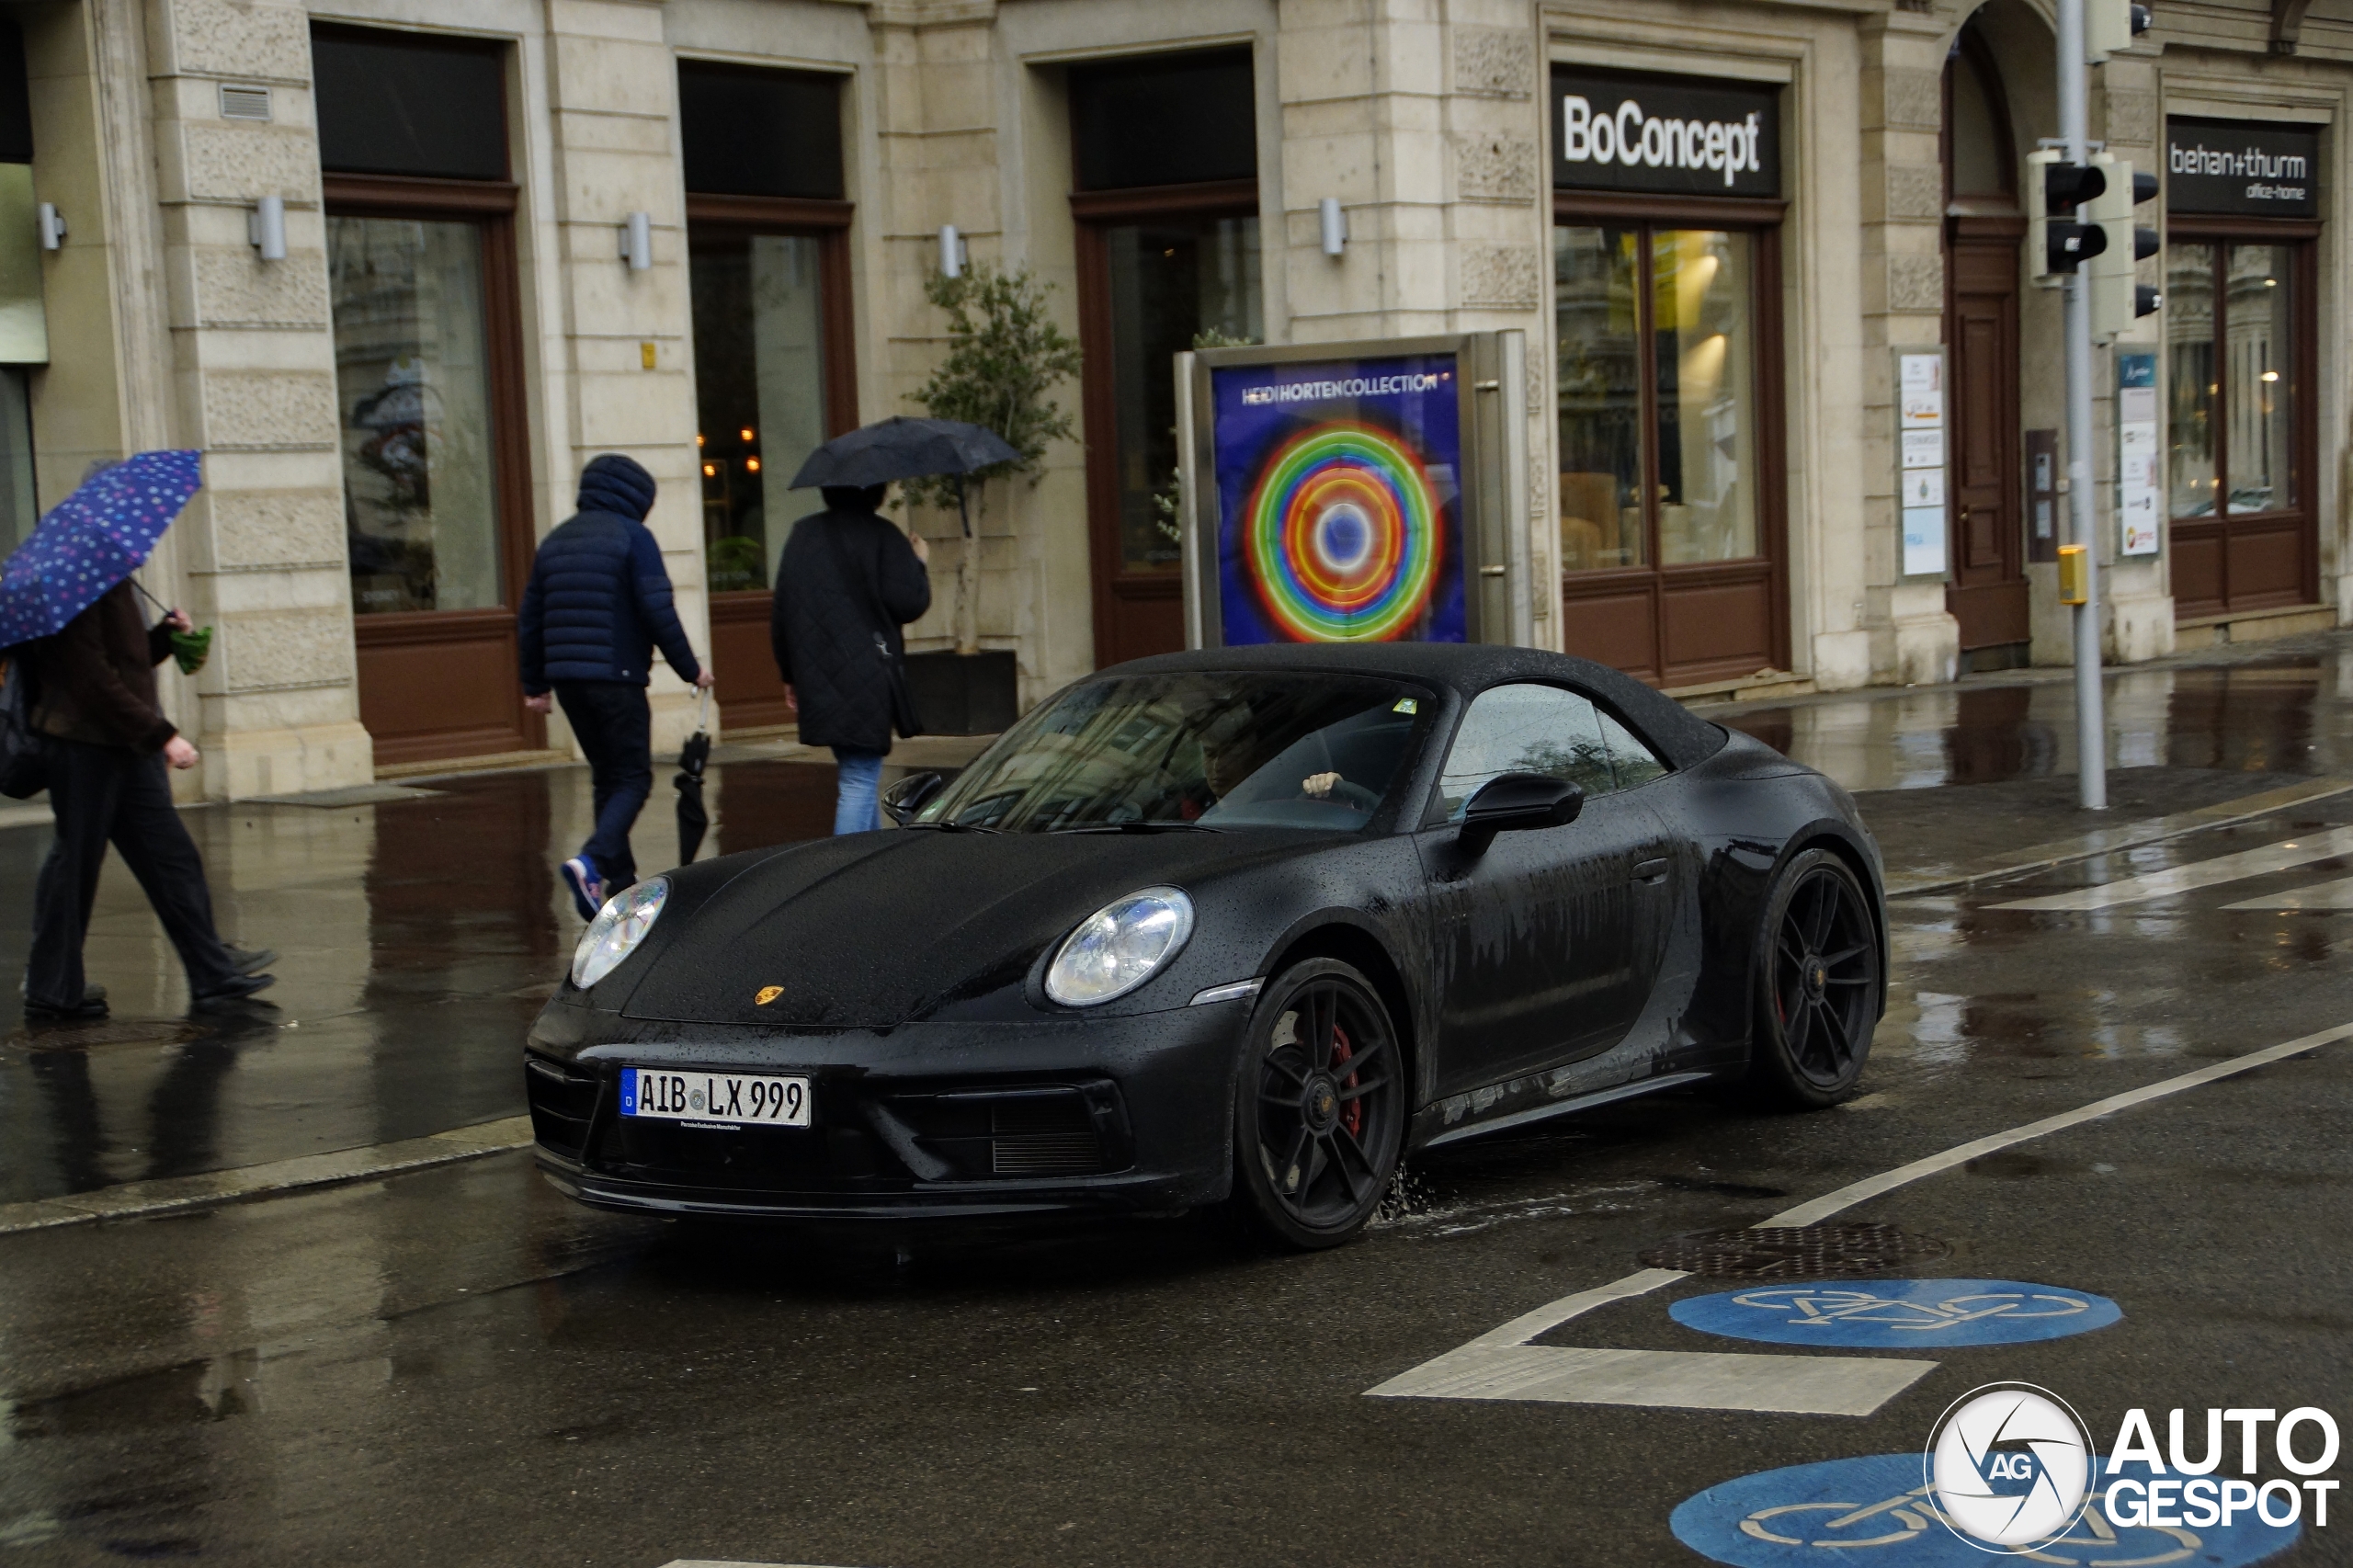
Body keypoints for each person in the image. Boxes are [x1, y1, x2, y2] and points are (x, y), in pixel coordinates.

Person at [22, 582, 276, 1018]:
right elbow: (90, 678)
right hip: (86, 747)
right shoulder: (76, 585)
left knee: (171, 857)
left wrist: (162, 636)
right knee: (76, 865)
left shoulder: (112, 579)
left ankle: (212, 974)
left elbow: (122, 661)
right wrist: (164, 737)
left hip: (124, 745)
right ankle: (51, 988)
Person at [518, 453, 713, 918]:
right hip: (617, 677)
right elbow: (657, 611)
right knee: (633, 777)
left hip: (568, 681)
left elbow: (530, 619)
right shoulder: (634, 538)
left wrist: (535, 684)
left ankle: (618, 890)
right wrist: (691, 670)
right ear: (635, 498)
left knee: (607, 778)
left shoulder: (555, 541)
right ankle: (592, 860)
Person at [770, 483, 931, 834]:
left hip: (817, 673)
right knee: (858, 779)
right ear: (875, 492)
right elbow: (910, 603)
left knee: (857, 772)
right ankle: (846, 872)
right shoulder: (884, 535)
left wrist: (789, 674)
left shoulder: (803, 533)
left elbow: (782, 609)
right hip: (867, 676)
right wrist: (918, 562)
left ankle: (869, 862)